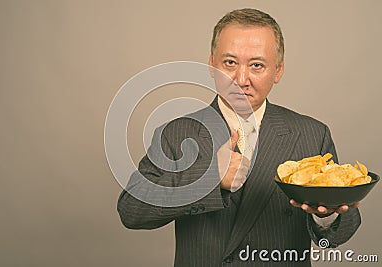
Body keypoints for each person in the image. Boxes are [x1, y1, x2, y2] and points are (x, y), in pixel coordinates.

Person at [117, 8, 361, 266]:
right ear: (211, 65)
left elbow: (340, 233)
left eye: (257, 65)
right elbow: (131, 211)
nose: (241, 79)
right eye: (230, 63)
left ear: (278, 71)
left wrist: (326, 216)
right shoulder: (176, 132)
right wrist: (208, 177)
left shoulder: (311, 134)